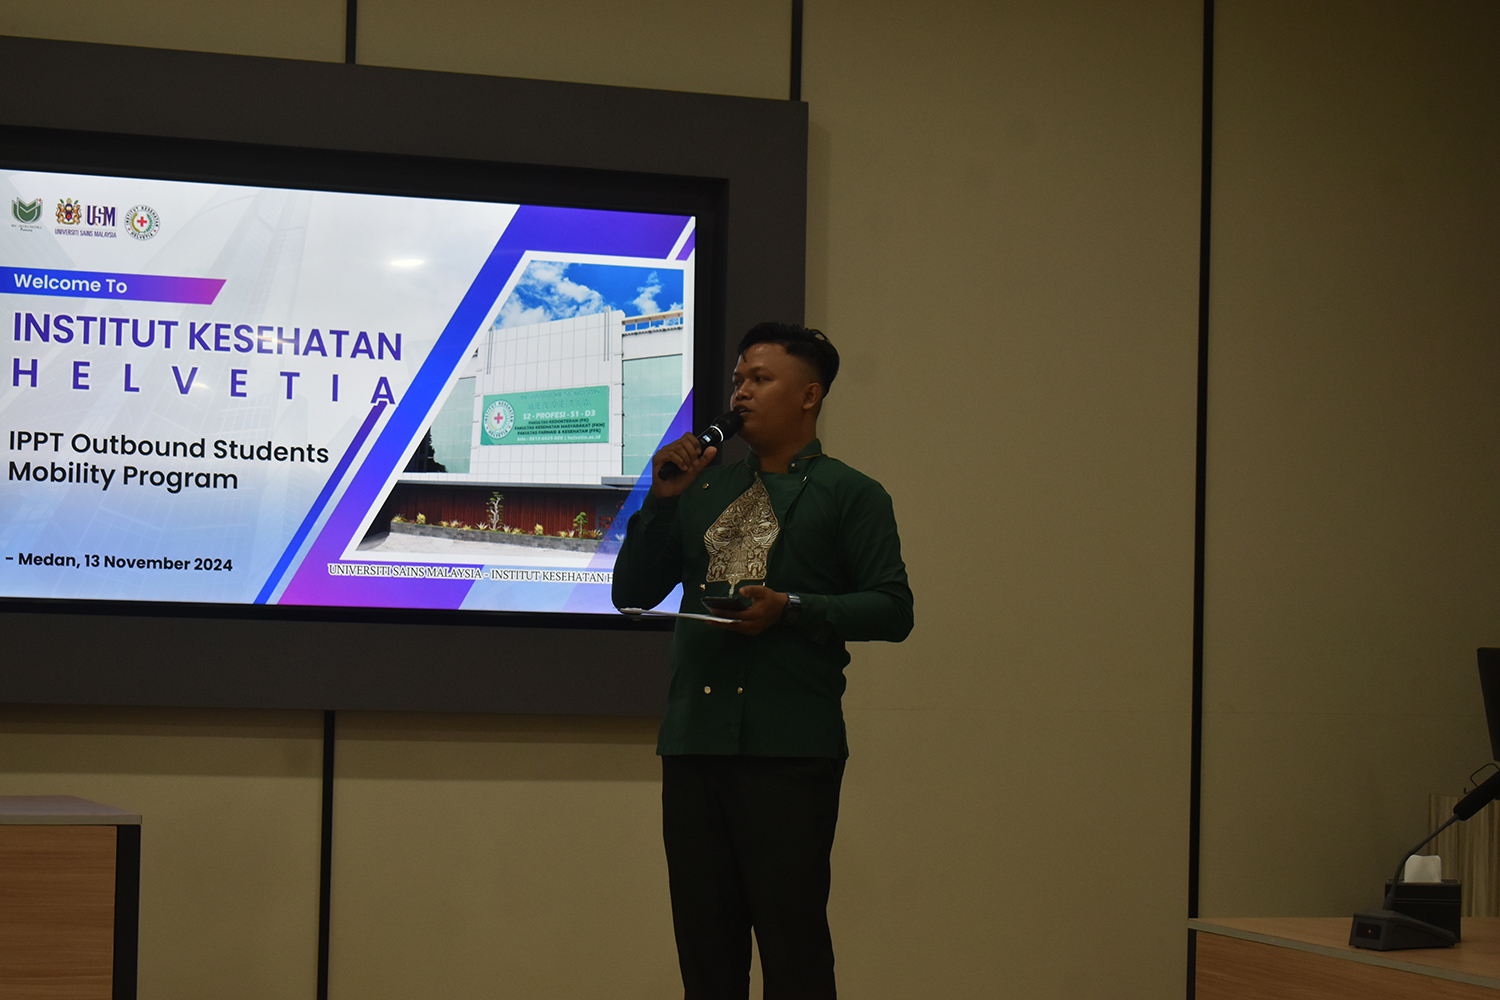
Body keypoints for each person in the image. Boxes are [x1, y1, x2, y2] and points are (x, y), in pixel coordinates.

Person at [613, 322, 914, 999]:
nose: (740, 393)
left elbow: (894, 609)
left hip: (788, 749)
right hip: (693, 744)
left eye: (760, 379)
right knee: (705, 953)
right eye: (737, 380)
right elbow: (631, 594)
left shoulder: (851, 493)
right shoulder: (702, 490)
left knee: (792, 948)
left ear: (809, 395)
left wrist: (794, 607)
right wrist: (661, 500)